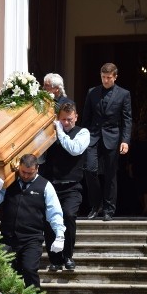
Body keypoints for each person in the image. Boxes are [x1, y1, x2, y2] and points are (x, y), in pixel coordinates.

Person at [0, 154, 65, 288]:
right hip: (8, 238)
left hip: (31, 238)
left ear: (37, 168)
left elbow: (54, 213)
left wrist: (60, 235)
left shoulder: (45, 186)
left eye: (29, 173)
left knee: (29, 270)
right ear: (19, 167)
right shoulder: (10, 181)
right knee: (5, 272)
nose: (25, 176)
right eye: (23, 172)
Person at [40, 101, 90, 271]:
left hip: (72, 185)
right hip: (51, 185)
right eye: (63, 120)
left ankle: (67, 255)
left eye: (69, 119)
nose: (66, 123)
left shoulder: (82, 132)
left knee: (68, 215)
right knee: (49, 221)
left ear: (76, 117)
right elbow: (40, 157)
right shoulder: (52, 133)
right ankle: (54, 259)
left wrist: (60, 133)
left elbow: (75, 149)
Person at [82, 62, 132, 221]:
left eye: (108, 78)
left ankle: (109, 209)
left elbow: (127, 119)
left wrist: (125, 140)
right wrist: (83, 137)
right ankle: (96, 205)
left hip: (113, 137)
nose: (105, 80)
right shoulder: (92, 92)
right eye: (103, 77)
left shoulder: (124, 94)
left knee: (111, 175)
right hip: (94, 136)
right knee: (90, 170)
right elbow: (86, 118)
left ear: (115, 77)